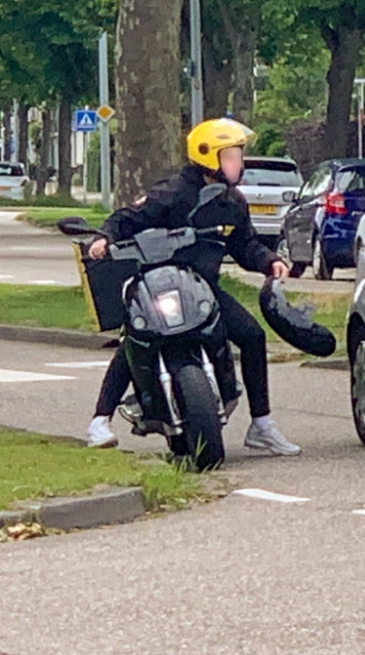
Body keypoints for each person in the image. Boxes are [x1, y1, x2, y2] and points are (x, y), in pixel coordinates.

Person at [85, 118, 300, 457]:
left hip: (203, 288)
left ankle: (261, 424)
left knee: (252, 336)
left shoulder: (233, 201)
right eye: (230, 157)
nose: (238, 164)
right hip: (160, 287)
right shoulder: (172, 192)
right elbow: (128, 218)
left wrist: (269, 260)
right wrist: (104, 237)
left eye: (238, 157)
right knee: (136, 337)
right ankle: (100, 421)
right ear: (208, 157)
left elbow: (245, 244)